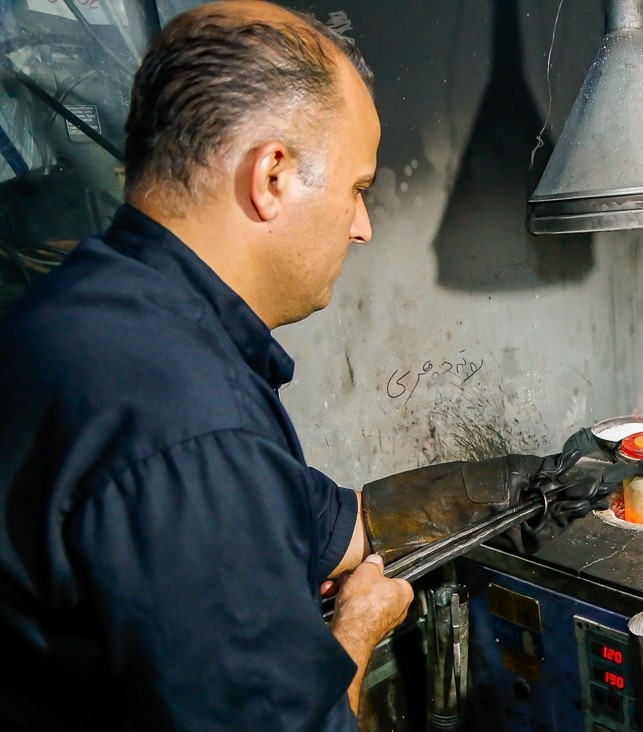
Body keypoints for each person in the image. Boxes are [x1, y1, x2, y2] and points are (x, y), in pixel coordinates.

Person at [0, 1, 413, 728]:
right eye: (358, 188)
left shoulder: (92, 310)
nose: (362, 227)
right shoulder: (190, 423)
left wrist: (523, 481)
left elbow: (328, 524)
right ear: (274, 176)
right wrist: (359, 629)